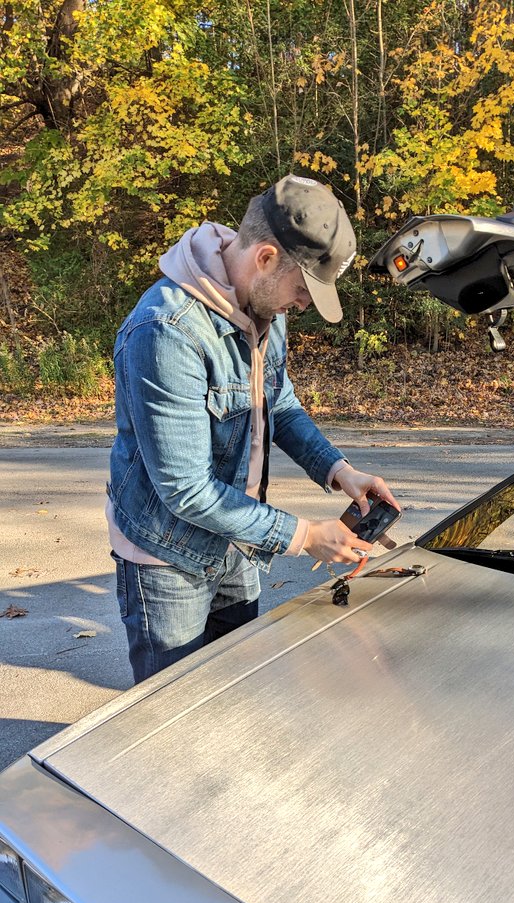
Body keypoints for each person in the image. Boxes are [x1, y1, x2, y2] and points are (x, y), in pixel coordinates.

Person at [107, 175, 399, 684]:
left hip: (238, 540)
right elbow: (186, 489)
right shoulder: (166, 331)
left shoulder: (265, 307)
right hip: (169, 557)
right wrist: (305, 536)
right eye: (303, 290)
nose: (303, 306)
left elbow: (278, 402)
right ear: (265, 258)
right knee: (176, 708)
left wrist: (338, 470)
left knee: (237, 692)